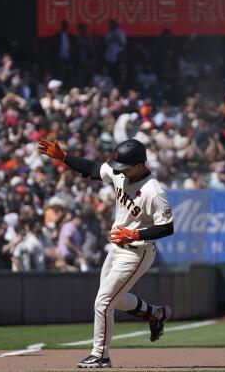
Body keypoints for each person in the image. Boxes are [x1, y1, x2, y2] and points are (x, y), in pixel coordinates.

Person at [39, 138, 174, 368]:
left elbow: (167, 227)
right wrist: (64, 158)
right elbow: (93, 169)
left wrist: (135, 235)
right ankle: (156, 314)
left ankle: (100, 355)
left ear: (141, 164)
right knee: (115, 299)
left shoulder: (153, 191)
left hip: (137, 252)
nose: (120, 171)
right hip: (117, 246)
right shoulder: (121, 172)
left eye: (126, 167)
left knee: (103, 303)